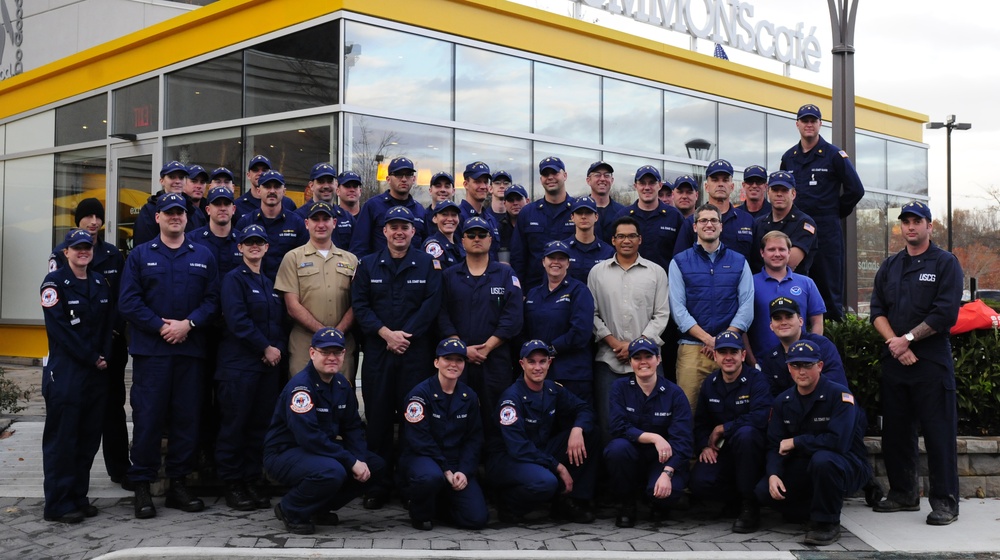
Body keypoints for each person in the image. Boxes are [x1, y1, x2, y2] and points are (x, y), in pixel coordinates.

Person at [118, 192, 220, 519]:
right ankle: (143, 486)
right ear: (158, 217)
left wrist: (188, 324)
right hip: (153, 353)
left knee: (186, 419)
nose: (175, 217)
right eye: (169, 212)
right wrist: (161, 327)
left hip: (190, 352)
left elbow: (213, 301)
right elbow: (129, 302)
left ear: (187, 218)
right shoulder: (140, 256)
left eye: (180, 212)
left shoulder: (203, 255)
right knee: (148, 420)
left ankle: (178, 484)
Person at [870, 201, 963, 526]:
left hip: (931, 364)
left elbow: (945, 313)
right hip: (896, 362)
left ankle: (945, 502)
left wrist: (907, 340)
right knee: (895, 433)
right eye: (906, 221)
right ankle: (903, 493)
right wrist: (896, 344)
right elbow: (877, 311)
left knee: (939, 435)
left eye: (917, 221)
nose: (911, 226)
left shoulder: (945, 263)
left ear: (929, 226)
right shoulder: (890, 266)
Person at [351, 205, 442, 507]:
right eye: (394, 227)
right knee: (377, 421)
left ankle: (408, 485)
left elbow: (431, 305)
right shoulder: (367, 264)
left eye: (405, 227)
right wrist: (386, 334)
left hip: (415, 354)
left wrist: (405, 336)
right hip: (379, 353)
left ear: (414, 231)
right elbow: (360, 305)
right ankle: (377, 486)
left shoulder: (427, 264)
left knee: (413, 420)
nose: (399, 232)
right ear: (385, 231)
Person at [263, 327, 385, 535]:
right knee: (332, 472)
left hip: (316, 450)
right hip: (285, 452)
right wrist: (350, 461)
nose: (332, 358)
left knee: (375, 466)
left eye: (337, 353)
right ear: (312, 353)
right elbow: (309, 438)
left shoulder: (341, 384)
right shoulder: (301, 388)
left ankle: (316, 508)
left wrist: (359, 459)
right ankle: (291, 509)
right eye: (325, 352)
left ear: (344, 354)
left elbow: (352, 427)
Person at [47, 199, 130, 489]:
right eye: (88, 216)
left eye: (98, 216)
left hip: (109, 349)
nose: (93, 221)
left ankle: (119, 468)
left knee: (111, 408)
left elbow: (120, 301)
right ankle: (66, 491)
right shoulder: (60, 257)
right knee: (72, 421)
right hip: (75, 357)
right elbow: (59, 321)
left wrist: (111, 343)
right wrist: (91, 354)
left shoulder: (112, 254)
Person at [754, 340, 870, 546]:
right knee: (764, 491)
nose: (801, 371)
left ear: (820, 366)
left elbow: (838, 442)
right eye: (796, 365)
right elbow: (775, 444)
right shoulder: (783, 400)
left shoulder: (839, 395)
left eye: (808, 365)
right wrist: (773, 474)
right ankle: (810, 508)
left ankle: (827, 523)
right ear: (789, 368)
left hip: (845, 463)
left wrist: (797, 442)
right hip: (806, 464)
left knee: (823, 459)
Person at [39, 229, 114, 523]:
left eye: (87, 247)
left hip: (96, 373)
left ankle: (77, 497)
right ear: (66, 252)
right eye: (77, 248)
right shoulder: (54, 284)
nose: (83, 251)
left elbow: (109, 325)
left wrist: (104, 355)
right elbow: (60, 331)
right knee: (63, 440)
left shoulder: (99, 282)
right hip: (68, 372)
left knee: (87, 438)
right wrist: (92, 357)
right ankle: (57, 503)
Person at [486, 340, 598, 524]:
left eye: (542, 361)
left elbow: (584, 409)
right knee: (546, 482)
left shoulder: (552, 389)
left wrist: (577, 429)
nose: (537, 367)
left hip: (538, 451)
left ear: (549, 363)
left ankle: (568, 500)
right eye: (531, 362)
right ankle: (508, 505)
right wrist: (558, 466)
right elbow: (518, 448)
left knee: (590, 434)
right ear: (522, 364)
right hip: (508, 459)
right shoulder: (511, 399)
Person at [215, 224, 286, 512]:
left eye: (259, 243)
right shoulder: (234, 280)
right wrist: (265, 348)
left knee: (258, 428)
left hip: (265, 369)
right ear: (240, 248)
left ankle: (251, 479)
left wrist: (276, 349)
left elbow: (277, 323)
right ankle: (233, 483)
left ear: (266, 248)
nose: (254, 247)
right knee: (235, 426)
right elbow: (238, 321)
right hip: (239, 368)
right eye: (249, 243)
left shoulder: (269, 284)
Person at [588, 216, 670, 442]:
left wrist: (636, 347)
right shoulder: (598, 273)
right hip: (609, 360)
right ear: (613, 240)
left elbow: (661, 314)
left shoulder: (656, 272)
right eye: (621, 236)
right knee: (609, 425)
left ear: (640, 239)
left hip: (648, 361)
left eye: (632, 235)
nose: (626, 240)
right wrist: (614, 343)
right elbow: (592, 315)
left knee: (654, 422)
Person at [780, 104, 865, 320]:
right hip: (796, 232)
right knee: (793, 287)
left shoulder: (834, 155)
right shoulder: (789, 157)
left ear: (820, 124)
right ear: (797, 124)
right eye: (805, 120)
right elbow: (781, 192)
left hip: (825, 230)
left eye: (813, 120)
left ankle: (831, 344)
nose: (809, 124)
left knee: (828, 290)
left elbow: (856, 189)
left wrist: (836, 212)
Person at [668, 203, 754, 414]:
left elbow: (747, 307)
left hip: (730, 350)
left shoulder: (739, 261)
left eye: (714, 220)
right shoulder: (679, 262)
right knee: (688, 412)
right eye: (703, 220)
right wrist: (709, 340)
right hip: (692, 349)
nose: (709, 224)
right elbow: (678, 310)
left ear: (721, 226)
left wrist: (723, 341)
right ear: (695, 226)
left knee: (734, 413)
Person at [438, 216, 523, 422]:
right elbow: (441, 314)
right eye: (471, 235)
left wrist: (487, 348)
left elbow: (513, 317)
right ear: (462, 240)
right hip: (458, 361)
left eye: (482, 234)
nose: (477, 238)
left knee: (495, 417)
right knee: (457, 417)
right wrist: (461, 349)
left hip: (494, 360)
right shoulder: (449, 276)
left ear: (490, 240)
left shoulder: (505, 273)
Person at [400, 338, 488, 531]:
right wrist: (446, 470)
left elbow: (474, 439)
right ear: (436, 362)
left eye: (459, 360)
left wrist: (464, 471)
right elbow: (419, 440)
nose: (453, 364)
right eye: (448, 359)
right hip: (424, 458)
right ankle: (420, 512)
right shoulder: (419, 395)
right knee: (430, 477)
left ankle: (439, 506)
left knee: (477, 519)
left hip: (456, 462)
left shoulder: (469, 396)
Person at [604, 337, 692, 527]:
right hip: (632, 455)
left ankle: (658, 504)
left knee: (664, 492)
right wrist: (655, 437)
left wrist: (668, 472)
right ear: (630, 362)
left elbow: (683, 440)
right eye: (637, 357)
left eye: (648, 356)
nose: (643, 362)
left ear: (658, 360)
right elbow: (618, 426)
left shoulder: (674, 393)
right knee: (616, 449)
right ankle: (627, 505)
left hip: (663, 459)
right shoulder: (620, 388)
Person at [688, 331, 770, 533]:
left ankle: (749, 504)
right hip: (724, 452)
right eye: (722, 352)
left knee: (746, 434)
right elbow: (701, 423)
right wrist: (704, 446)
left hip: (753, 452)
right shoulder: (710, 384)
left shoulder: (756, 380)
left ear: (743, 355)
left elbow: (761, 416)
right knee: (699, 482)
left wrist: (724, 427)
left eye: (733, 352)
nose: (728, 357)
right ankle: (734, 500)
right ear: (714, 356)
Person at [276, 201, 359, 383]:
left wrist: (337, 334)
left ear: (334, 223)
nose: (321, 224)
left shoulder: (351, 260)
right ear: (307, 224)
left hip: (341, 343)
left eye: (326, 219)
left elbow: (358, 303)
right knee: (303, 399)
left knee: (341, 400)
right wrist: (324, 334)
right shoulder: (293, 258)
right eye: (315, 219)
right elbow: (292, 305)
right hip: (305, 344)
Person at [523, 240, 595, 401]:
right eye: (551, 258)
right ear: (543, 262)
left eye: (561, 258)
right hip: (539, 373)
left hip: (572, 374)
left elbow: (581, 332)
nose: (556, 262)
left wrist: (550, 350)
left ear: (568, 263)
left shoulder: (579, 291)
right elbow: (523, 329)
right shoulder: (533, 294)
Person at [746, 231, 825, 364]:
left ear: (789, 252)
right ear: (762, 252)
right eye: (771, 249)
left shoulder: (806, 283)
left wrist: (809, 352)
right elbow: (743, 326)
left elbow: (817, 321)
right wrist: (752, 361)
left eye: (782, 249)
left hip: (799, 361)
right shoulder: (749, 283)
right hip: (763, 363)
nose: (777, 254)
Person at [757, 297, 847, 398]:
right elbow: (769, 398)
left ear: (801, 321)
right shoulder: (770, 359)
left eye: (789, 316)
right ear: (771, 326)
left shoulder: (822, 346)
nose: (783, 322)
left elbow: (837, 385)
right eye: (777, 318)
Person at [511, 156, 577, 289]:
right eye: (545, 174)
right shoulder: (528, 213)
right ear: (541, 179)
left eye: (555, 173)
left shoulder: (579, 211)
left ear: (564, 175)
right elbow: (518, 257)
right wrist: (519, 291)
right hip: (534, 290)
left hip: (572, 290)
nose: (550, 177)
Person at [234, 170, 309, 283]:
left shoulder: (297, 223)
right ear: (259, 191)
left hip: (287, 289)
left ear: (284, 191)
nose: (272, 191)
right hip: (252, 288)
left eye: (277, 187)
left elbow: (305, 260)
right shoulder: (245, 223)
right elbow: (237, 259)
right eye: (267, 187)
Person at [673, 159, 754, 258]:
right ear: (706, 186)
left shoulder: (747, 220)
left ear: (732, 186)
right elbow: (680, 261)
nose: (720, 184)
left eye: (725, 180)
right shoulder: (691, 222)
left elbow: (756, 263)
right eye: (715, 180)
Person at [350, 156, 428, 259]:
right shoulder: (373, 206)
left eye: (408, 175)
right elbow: (359, 246)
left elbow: (425, 246)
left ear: (414, 179)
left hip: (413, 271)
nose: (404, 179)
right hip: (379, 271)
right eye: (398, 174)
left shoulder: (419, 210)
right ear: (388, 179)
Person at [748, 171, 818, 275]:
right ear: (768, 192)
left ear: (793, 194)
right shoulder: (759, 223)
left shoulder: (804, 223)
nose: (779, 194)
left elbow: (788, 263)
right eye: (775, 190)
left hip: (793, 286)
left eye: (784, 190)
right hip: (761, 285)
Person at [618, 165, 684, 273]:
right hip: (629, 282)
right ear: (635, 186)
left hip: (664, 284)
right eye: (642, 183)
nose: (647, 187)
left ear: (660, 185)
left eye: (652, 183)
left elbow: (682, 255)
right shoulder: (623, 216)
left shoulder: (674, 216)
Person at [132, 161, 202, 246]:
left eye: (181, 177)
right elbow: (143, 247)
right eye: (172, 177)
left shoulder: (195, 211)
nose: (177, 181)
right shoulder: (149, 211)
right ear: (162, 181)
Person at [189, 186, 243, 281]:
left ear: (233, 209)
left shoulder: (243, 241)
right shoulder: (192, 240)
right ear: (208, 210)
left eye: (226, 204)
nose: (222, 208)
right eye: (217, 204)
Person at [297, 163, 354, 250]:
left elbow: (356, 249)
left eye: (330, 181)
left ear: (336, 184)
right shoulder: (298, 217)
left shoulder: (347, 217)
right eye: (321, 181)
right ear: (311, 185)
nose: (326, 186)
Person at [561, 196, 614, 284]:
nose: (583, 216)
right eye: (579, 213)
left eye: (588, 213)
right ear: (572, 217)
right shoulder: (563, 250)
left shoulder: (608, 252)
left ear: (596, 217)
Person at [459, 161, 502, 260]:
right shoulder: (457, 217)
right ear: (466, 184)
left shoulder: (491, 219)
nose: (483, 186)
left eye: (485, 182)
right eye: (477, 181)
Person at [235, 155, 296, 221]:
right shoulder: (238, 205)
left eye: (264, 170)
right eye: (255, 170)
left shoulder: (287, 203)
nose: (260, 173)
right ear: (248, 175)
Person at [583, 161, 625, 240]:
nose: (602, 179)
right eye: (597, 175)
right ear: (588, 180)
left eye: (606, 175)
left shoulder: (622, 212)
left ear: (612, 180)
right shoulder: (579, 212)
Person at [423, 200, 465, 268]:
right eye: (444, 214)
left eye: (454, 215)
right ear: (435, 219)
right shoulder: (433, 245)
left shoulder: (461, 245)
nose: (450, 219)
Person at [498, 183, 528, 262]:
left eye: (518, 199)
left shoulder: (534, 225)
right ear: (505, 204)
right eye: (511, 200)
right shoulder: (499, 228)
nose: (515, 203)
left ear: (527, 201)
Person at [183, 164, 210, 229]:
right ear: (183, 182)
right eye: (194, 181)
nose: (198, 186)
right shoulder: (177, 209)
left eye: (202, 182)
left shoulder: (210, 209)